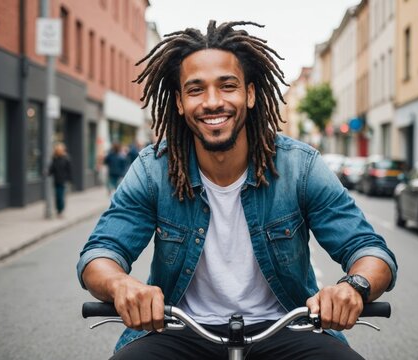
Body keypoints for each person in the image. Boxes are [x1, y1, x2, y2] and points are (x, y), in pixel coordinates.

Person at [77, 21, 397, 360]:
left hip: (285, 327)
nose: (212, 102)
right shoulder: (153, 169)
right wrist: (121, 285)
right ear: (180, 102)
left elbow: (370, 251)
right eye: (196, 89)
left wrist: (355, 287)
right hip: (179, 330)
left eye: (227, 86)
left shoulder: (300, 167)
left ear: (250, 93)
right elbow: (100, 252)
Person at [48, 142, 71, 218]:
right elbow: (51, 169)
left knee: (60, 196)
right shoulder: (55, 159)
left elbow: (69, 170)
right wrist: (47, 173)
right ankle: (58, 210)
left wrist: (69, 179)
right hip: (56, 181)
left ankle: (60, 211)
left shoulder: (66, 159)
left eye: (60, 150)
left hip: (63, 181)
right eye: (57, 150)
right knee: (57, 196)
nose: (58, 151)